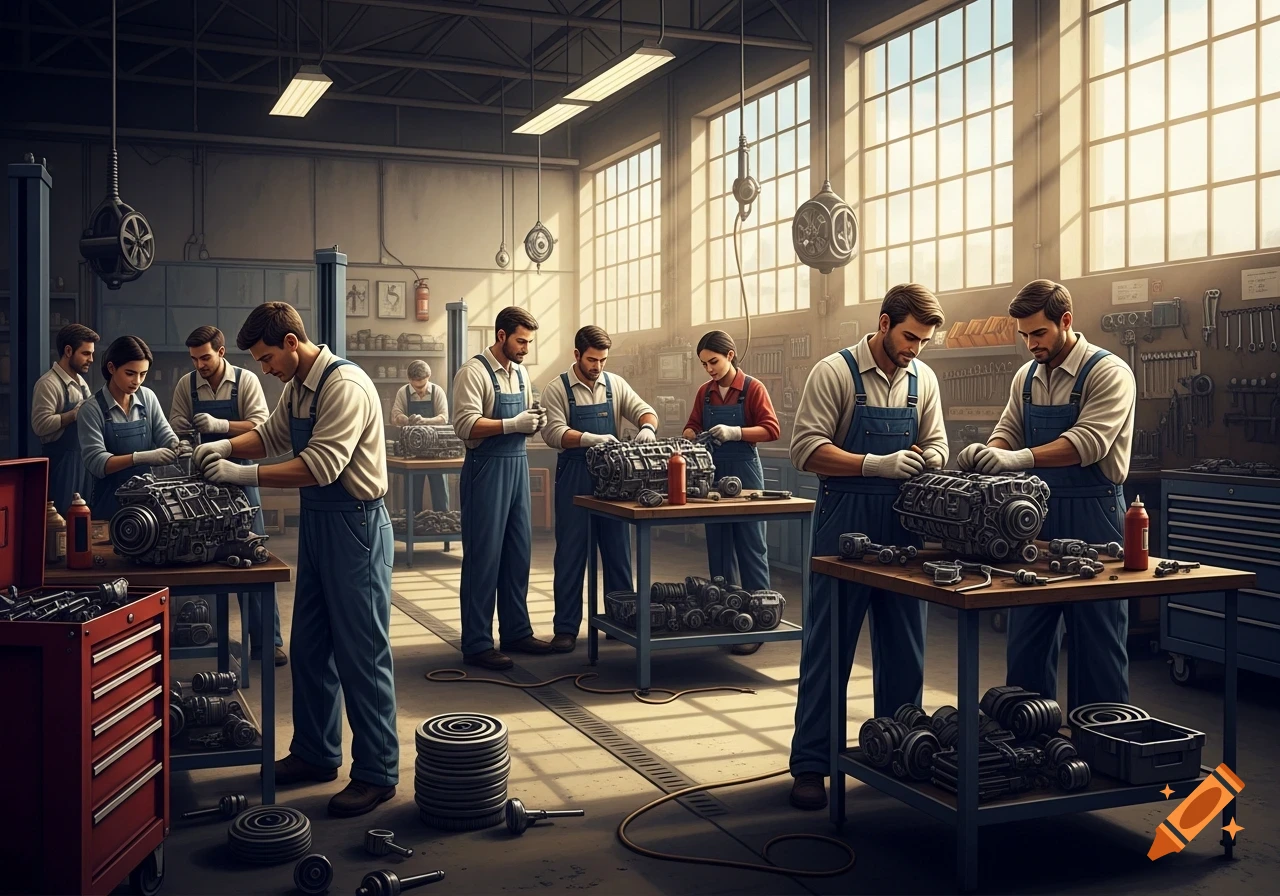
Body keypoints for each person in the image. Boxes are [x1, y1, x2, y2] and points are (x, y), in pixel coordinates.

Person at [193, 302, 396, 818]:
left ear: (290, 342)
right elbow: (272, 436)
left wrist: (244, 476)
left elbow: (323, 466)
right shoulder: (298, 387)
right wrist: (223, 446)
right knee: (308, 646)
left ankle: (376, 772)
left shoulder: (343, 386)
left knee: (362, 652)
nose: (264, 369)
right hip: (321, 525)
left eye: (265, 358)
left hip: (356, 524)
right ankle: (315, 752)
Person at [787, 284, 948, 811]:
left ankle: (898, 756)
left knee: (906, 648)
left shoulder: (923, 379)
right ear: (883, 323)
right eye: (908, 337)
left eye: (923, 341)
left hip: (903, 524)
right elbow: (805, 450)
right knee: (828, 646)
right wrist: (872, 464)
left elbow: (939, 441)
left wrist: (931, 459)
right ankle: (813, 764)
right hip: (845, 520)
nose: (915, 349)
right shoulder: (834, 373)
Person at [957, 280, 1136, 709]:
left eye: (1039, 333)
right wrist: (988, 453)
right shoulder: (1027, 376)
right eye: (1024, 335)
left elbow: (1087, 443)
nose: (1030, 344)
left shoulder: (1109, 372)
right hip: (1032, 519)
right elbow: (1008, 431)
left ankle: (1105, 751)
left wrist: (1014, 461)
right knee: (1027, 642)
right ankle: (1030, 749)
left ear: (1066, 322)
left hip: (1094, 519)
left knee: (1098, 646)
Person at [170, 325, 286, 668]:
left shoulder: (246, 380)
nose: (199, 365)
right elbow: (176, 424)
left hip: (242, 478)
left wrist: (221, 426)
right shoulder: (186, 384)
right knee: (204, 558)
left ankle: (268, 642)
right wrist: (185, 442)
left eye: (205, 357)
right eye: (194, 359)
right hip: (202, 483)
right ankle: (210, 636)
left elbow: (263, 425)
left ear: (221, 352)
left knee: (255, 558)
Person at [542, 325, 659, 653]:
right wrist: (588, 438)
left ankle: (621, 620)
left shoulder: (615, 384)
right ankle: (565, 628)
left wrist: (647, 427)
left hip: (613, 478)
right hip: (575, 475)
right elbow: (552, 433)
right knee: (570, 553)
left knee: (618, 551)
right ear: (577, 355)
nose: (598, 367)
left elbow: (644, 410)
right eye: (592, 360)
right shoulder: (557, 389)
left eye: (603, 360)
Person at [452, 306, 551, 670]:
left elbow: (522, 420)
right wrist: (511, 424)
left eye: (528, 342)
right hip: (486, 470)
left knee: (517, 553)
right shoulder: (473, 372)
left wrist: (532, 422)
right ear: (501, 336)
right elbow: (464, 425)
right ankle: (477, 643)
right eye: (521, 341)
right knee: (483, 558)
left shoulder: (521, 374)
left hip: (517, 467)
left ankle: (516, 632)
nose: (525, 348)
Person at [682, 330, 781, 656]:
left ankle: (761, 617)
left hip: (746, 473)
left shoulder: (753, 389)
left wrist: (735, 431)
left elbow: (771, 429)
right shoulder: (705, 392)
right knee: (719, 546)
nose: (709, 369)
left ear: (731, 355)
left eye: (713, 361)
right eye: (704, 364)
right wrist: (689, 436)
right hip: (711, 476)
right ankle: (728, 614)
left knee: (751, 545)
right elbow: (693, 423)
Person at [78, 336, 179, 521]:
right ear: (111, 368)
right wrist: (140, 457)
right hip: (109, 504)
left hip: (149, 504)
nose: (137, 381)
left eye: (143, 374)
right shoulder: (91, 409)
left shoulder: (148, 397)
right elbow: (96, 462)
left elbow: (165, 435)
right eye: (130, 373)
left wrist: (177, 446)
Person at [32, 324, 98, 514]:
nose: (91, 359)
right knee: (61, 523)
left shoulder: (81, 383)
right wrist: (73, 415)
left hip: (82, 465)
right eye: (86, 353)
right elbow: (39, 425)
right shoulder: (48, 384)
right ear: (68, 351)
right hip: (62, 468)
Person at [389, 359, 451, 515]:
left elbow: (444, 418)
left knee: (440, 491)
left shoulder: (438, 391)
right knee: (412, 492)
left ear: (429, 377)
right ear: (409, 380)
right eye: (416, 387)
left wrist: (425, 421)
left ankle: (443, 523)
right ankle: (412, 524)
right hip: (412, 450)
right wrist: (406, 419)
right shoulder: (403, 392)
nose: (420, 391)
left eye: (422, 386)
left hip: (436, 451)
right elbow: (395, 416)